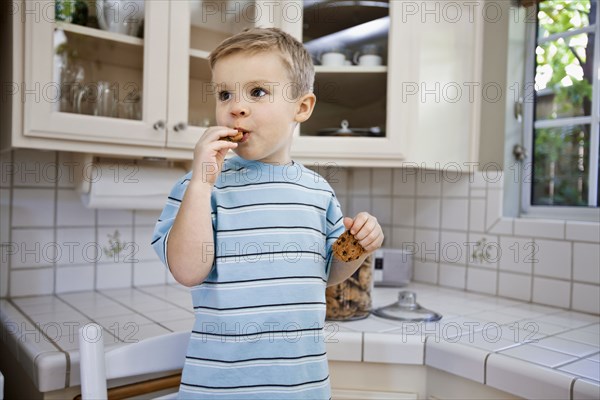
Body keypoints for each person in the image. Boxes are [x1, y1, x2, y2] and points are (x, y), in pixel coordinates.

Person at [152, 27, 384, 399]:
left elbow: (327, 274)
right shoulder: (200, 187)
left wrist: (357, 246)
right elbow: (187, 270)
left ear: (302, 107)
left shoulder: (317, 192)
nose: (236, 106)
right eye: (225, 93)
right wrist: (200, 185)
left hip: (301, 388)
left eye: (257, 92)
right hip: (218, 390)